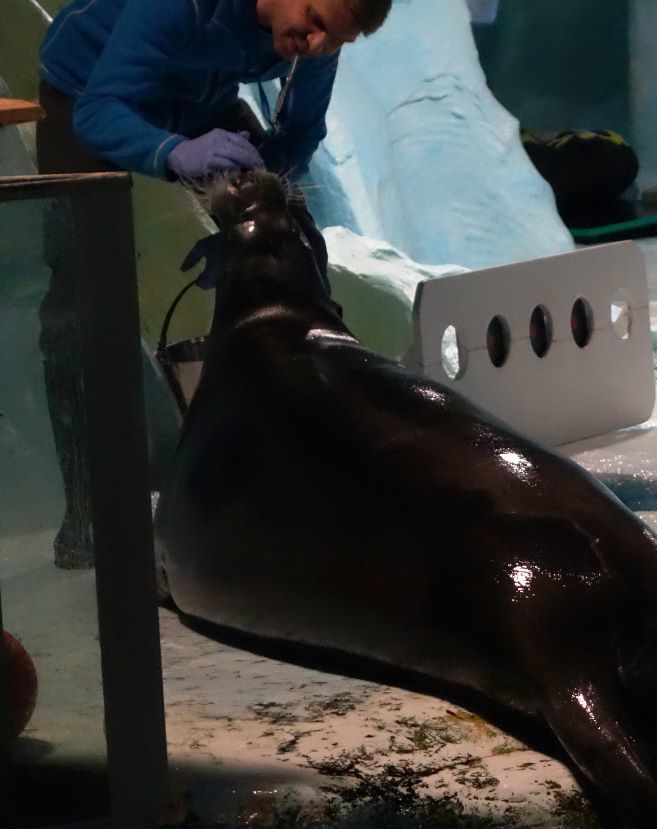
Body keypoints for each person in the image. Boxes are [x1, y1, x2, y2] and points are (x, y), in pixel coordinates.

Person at [34, 0, 391, 568]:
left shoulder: (315, 33)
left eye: (338, 40)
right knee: (82, 298)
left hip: (199, 98)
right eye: (317, 23)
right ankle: (89, 515)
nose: (319, 46)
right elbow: (101, 109)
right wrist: (174, 154)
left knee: (291, 242)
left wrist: (251, 222)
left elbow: (298, 131)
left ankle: (295, 480)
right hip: (90, 94)